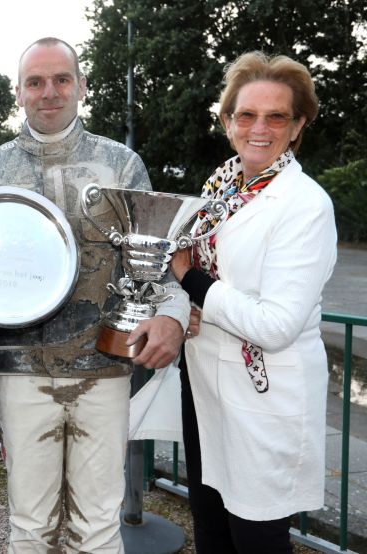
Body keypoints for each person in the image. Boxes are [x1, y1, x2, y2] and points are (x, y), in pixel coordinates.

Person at [0, 37, 190, 553]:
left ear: (82, 86)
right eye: (36, 82)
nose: (49, 92)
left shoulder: (121, 163)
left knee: (98, 526)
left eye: (61, 79)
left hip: (105, 367)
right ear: (18, 92)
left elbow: (159, 259)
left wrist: (174, 316)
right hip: (22, 369)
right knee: (30, 525)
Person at [170, 51, 337, 553]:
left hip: (264, 398)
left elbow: (275, 325)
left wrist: (190, 279)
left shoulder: (305, 204)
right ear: (227, 122)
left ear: (298, 125)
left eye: (276, 116)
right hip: (204, 384)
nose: (259, 128)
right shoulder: (219, 190)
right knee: (212, 532)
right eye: (246, 114)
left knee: (257, 538)